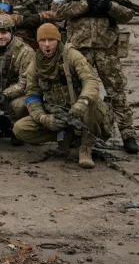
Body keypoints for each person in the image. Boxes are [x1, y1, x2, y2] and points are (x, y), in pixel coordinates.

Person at [50, 0, 139, 154]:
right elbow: (56, 12)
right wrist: (84, 5)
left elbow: (127, 14)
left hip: (107, 47)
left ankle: (128, 134)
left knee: (116, 91)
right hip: (78, 49)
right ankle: (77, 134)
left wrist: (109, 6)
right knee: (77, 92)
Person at [12, 23, 111, 169]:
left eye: (51, 40)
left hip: (80, 110)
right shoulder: (35, 65)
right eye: (42, 41)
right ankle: (68, 137)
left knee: (92, 103)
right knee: (20, 129)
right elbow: (32, 96)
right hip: (58, 113)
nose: (47, 45)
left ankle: (86, 147)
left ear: (58, 41)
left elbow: (90, 80)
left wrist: (82, 102)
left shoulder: (72, 56)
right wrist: (43, 118)